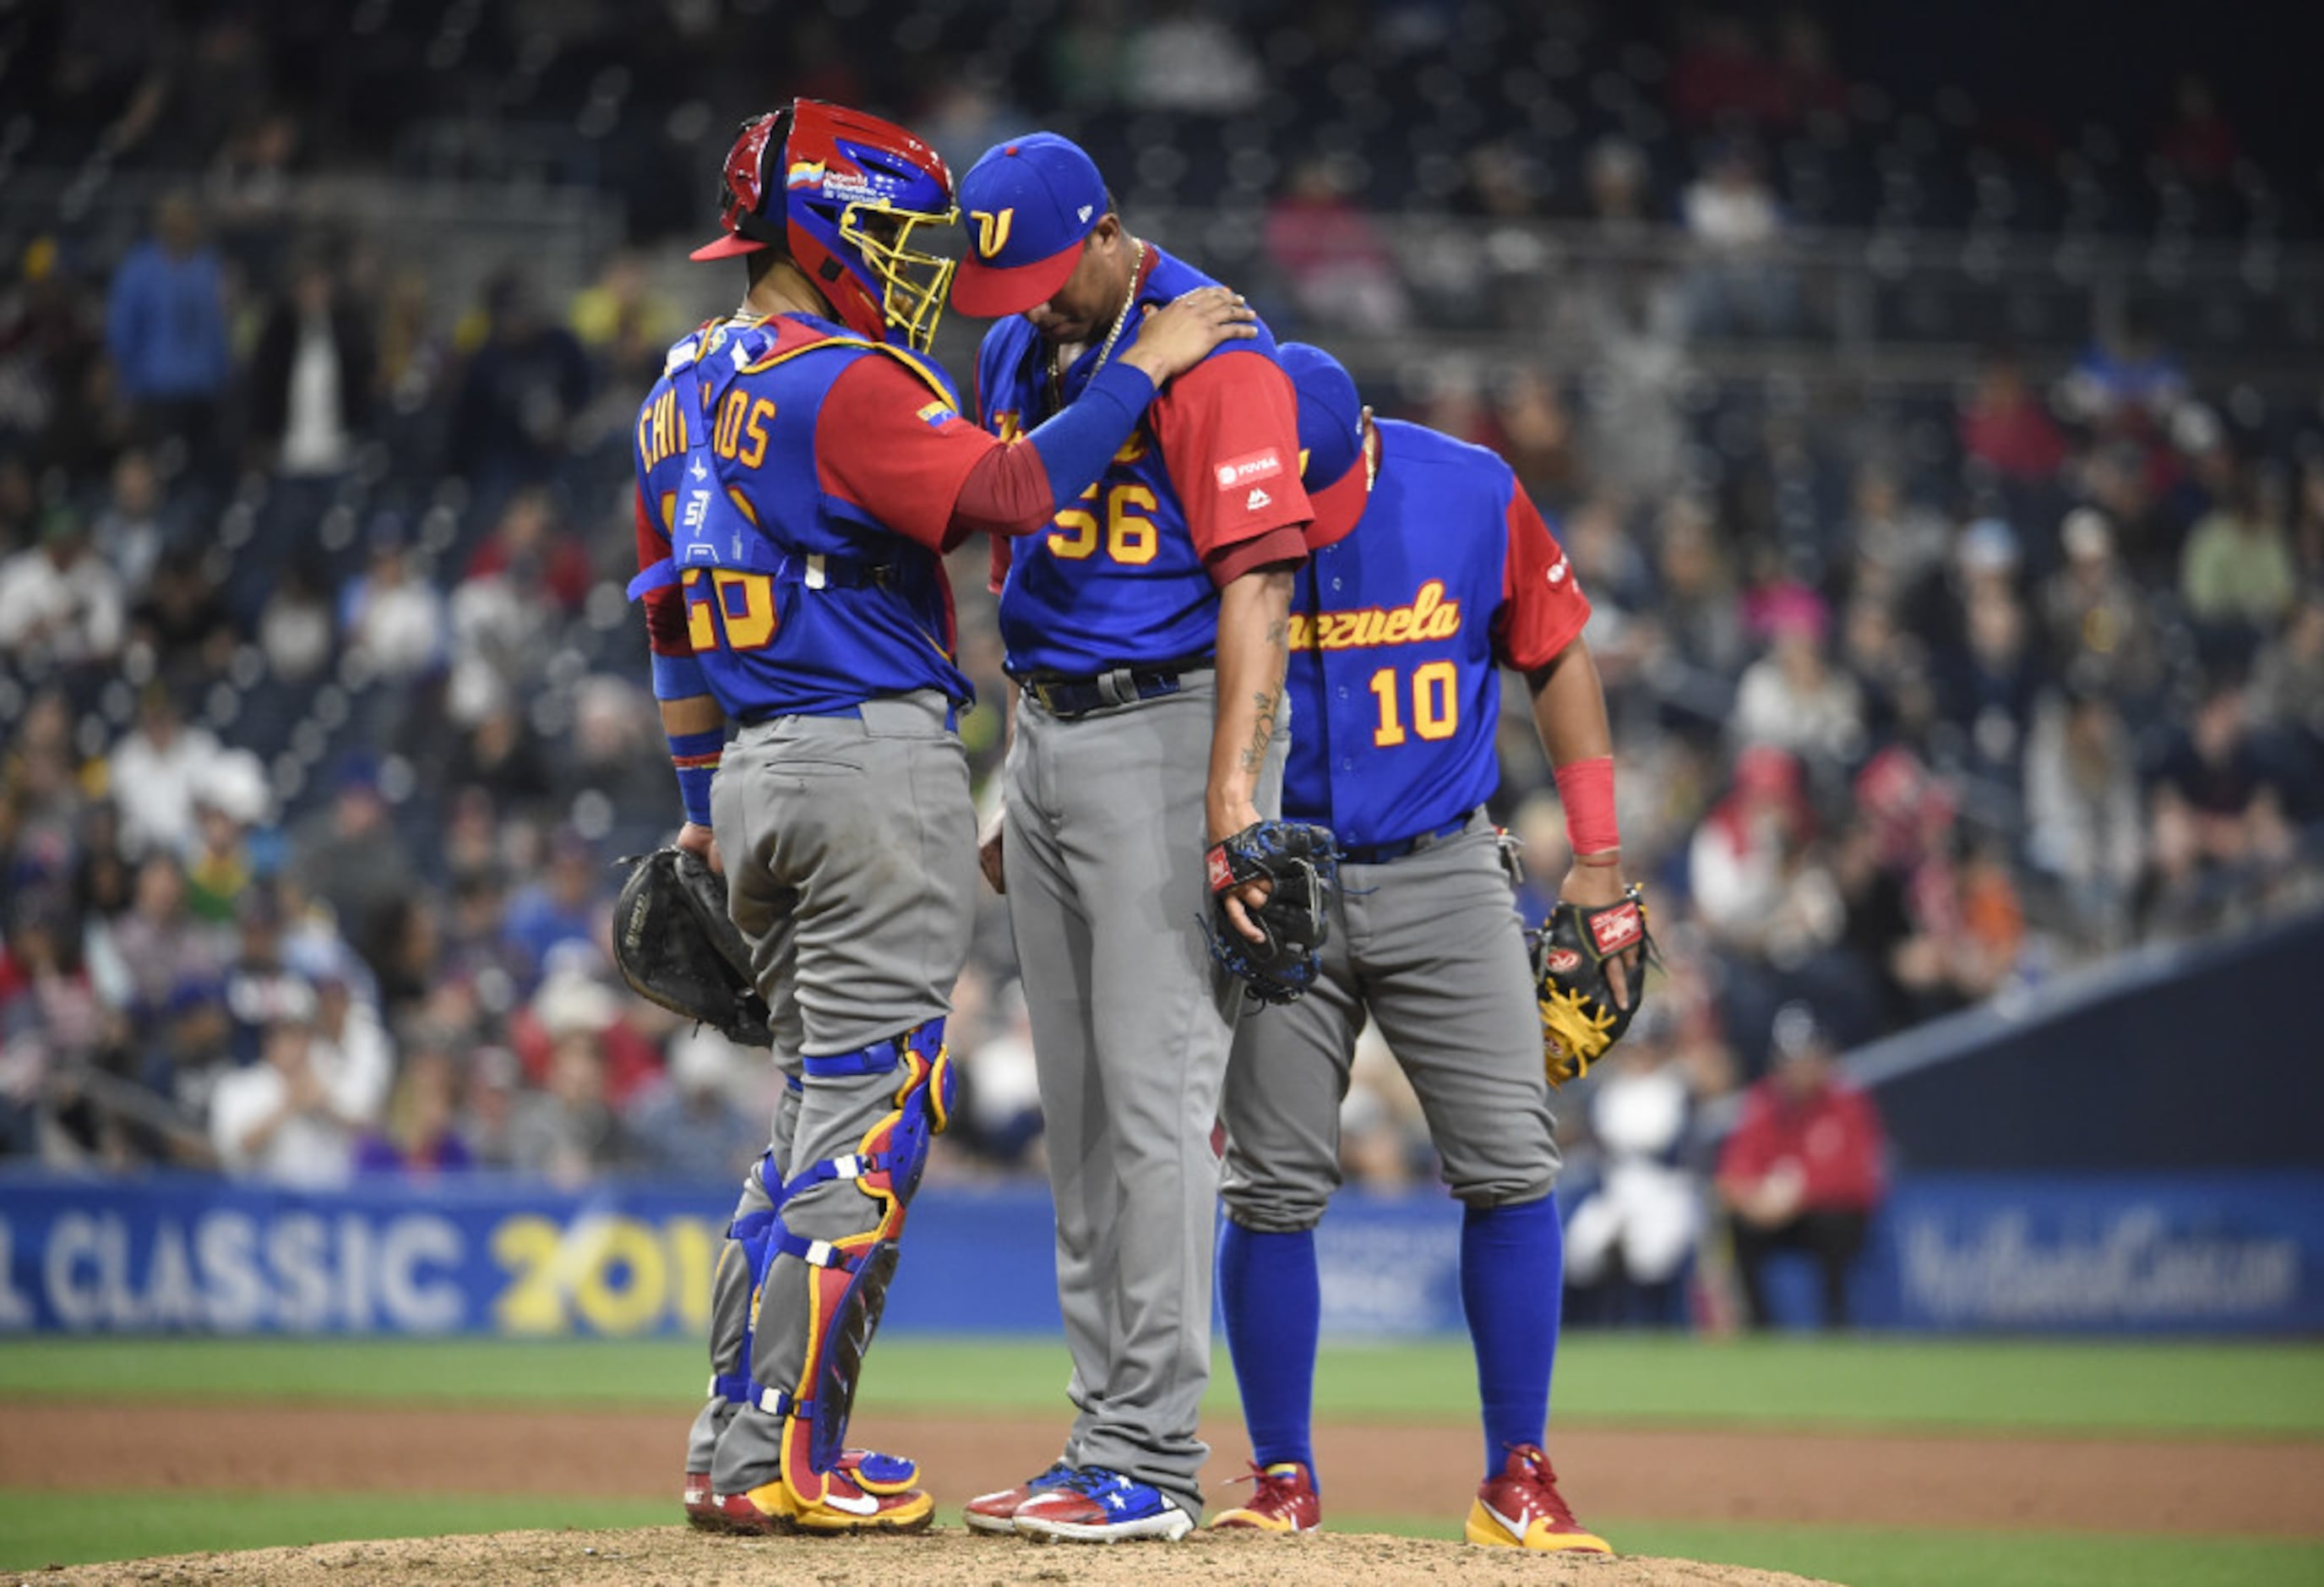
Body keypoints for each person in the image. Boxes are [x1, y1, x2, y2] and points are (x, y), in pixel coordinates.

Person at [634, 101, 1257, 1540]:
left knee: (801, 1119)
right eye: (894, 234)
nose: (913, 265)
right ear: (828, 230)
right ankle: (790, 1454)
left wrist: (694, 817)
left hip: (749, 773)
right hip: (864, 769)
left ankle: (732, 1435)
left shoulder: (671, 392)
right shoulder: (839, 382)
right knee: (865, 1124)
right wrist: (1148, 361)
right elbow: (1013, 483)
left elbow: (669, 629)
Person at [1200, 344, 1624, 1552]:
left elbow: (1553, 651)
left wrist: (1593, 855)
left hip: (1442, 867)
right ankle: (1280, 1475)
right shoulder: (1219, 498)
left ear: (1364, 434)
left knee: (1509, 1165)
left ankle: (1517, 1474)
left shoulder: (1469, 487)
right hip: (1279, 877)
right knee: (1270, 1188)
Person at [951, 132, 1311, 1544]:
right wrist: (1013, 763)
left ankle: (1154, 1452)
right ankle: (1102, 1428)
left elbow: (1261, 588)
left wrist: (1234, 792)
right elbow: (1011, 548)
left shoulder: (1215, 349)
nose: (1034, 303)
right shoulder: (1021, 349)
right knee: (1082, 1112)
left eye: (1049, 274)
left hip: (1170, 734)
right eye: (1013, 286)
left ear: (1108, 231)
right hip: (1049, 734)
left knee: (1158, 1104)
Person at [1715, 1003, 1886, 1329]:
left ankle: (1837, 1324)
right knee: (1740, 1226)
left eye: (1807, 1058)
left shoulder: (1847, 1102)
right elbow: (1734, 1170)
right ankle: (1759, 1326)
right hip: (1779, 1215)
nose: (1798, 1069)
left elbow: (1861, 1180)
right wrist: (1753, 1200)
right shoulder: (1762, 1102)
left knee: (1831, 1224)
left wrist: (1800, 1194)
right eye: (1790, 1061)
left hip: (1833, 1215)